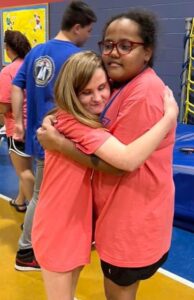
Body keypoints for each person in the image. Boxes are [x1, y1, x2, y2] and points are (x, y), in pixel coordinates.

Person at [37, 9, 178, 300]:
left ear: (147, 51)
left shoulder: (143, 91)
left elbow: (122, 163)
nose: (113, 52)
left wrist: (170, 117)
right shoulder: (110, 92)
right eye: (108, 44)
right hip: (69, 221)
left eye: (125, 45)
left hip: (114, 223)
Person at [11, 1, 97, 271]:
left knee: (46, 193)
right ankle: (26, 251)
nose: (88, 37)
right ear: (77, 27)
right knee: (43, 194)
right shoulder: (75, 57)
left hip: (40, 135)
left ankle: (42, 238)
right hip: (60, 139)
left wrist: (19, 123)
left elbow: (17, 86)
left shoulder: (37, 51)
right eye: (88, 31)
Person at [0, 30, 34, 212]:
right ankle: (20, 201)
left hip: (18, 128)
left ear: (7, 48)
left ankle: (36, 214)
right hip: (35, 126)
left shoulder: (8, 72)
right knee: (27, 167)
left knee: (24, 172)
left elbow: (5, 107)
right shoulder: (32, 66)